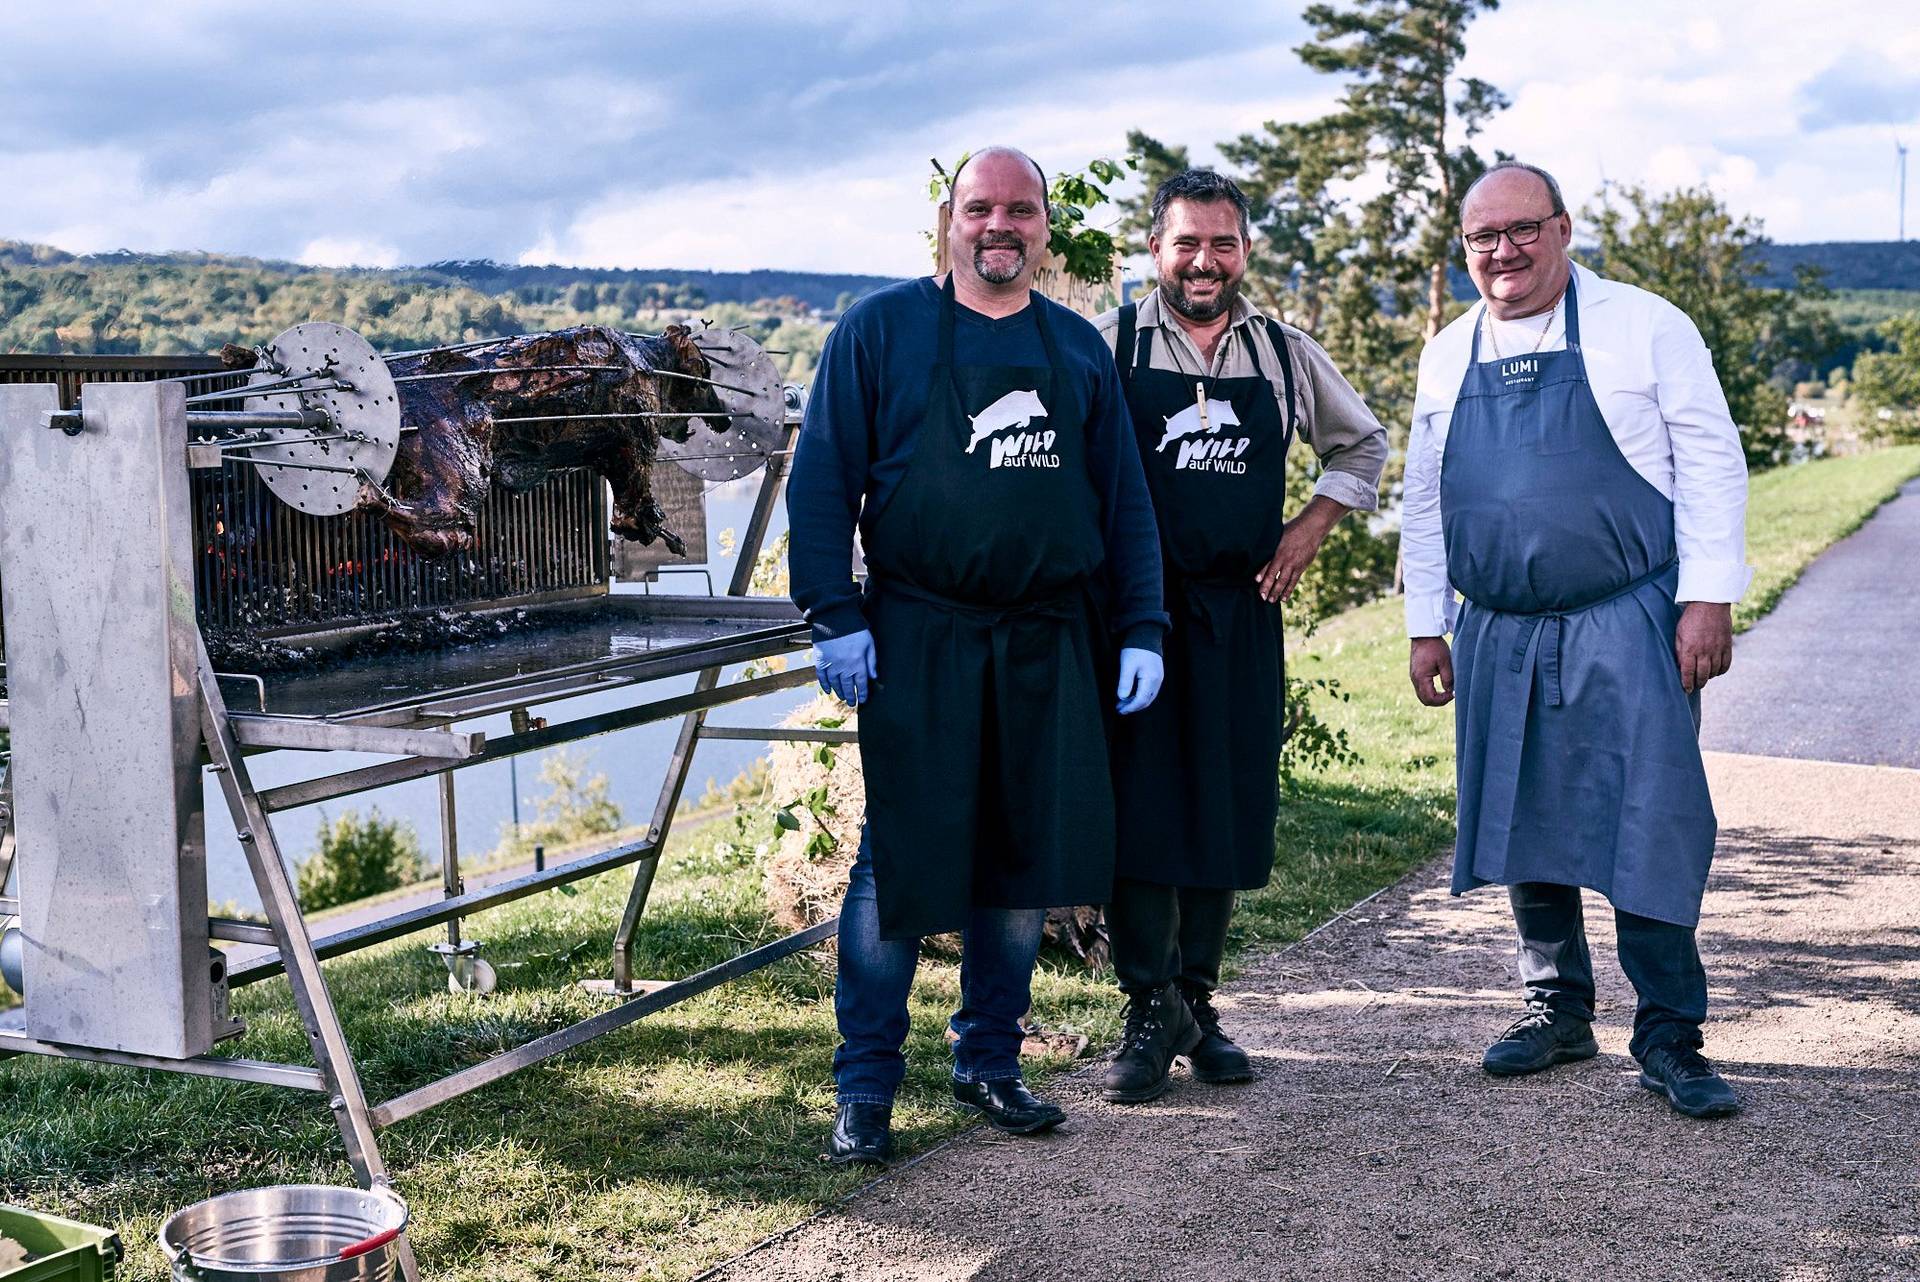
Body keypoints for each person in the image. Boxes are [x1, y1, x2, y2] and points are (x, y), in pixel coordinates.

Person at [787, 146, 1170, 1164]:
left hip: (1049, 637)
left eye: (1021, 211)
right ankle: (866, 1087)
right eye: (980, 208)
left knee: (1021, 857)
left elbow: (1124, 501)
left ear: (1043, 228)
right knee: (897, 860)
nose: (1000, 226)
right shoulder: (881, 331)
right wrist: (835, 615)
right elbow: (821, 479)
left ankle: (988, 1060)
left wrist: (1142, 628)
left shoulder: (1078, 348)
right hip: (920, 632)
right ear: (949, 221)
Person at [1403, 160, 1751, 1118]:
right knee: (1525, 817)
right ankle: (1555, 1008)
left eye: (1522, 230)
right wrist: (1426, 623)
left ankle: (1672, 1032)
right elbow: (1424, 500)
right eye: (1484, 238)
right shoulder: (1447, 353)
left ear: (1562, 229)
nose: (1503, 252)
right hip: (1498, 628)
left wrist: (1709, 596)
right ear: (1466, 248)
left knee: (1651, 815)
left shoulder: (1646, 325)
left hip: (1627, 615)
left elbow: (1713, 461)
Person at [1090, 170, 1388, 1102]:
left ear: (1246, 251)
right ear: (1156, 250)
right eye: (1187, 243)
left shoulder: (1282, 352)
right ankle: (1147, 1007)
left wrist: (1306, 532)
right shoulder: (1108, 347)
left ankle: (1197, 1000)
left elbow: (1363, 446)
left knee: (1220, 806)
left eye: (1223, 243)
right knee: (1143, 810)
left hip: (1242, 611)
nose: (1205, 261)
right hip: (1137, 613)